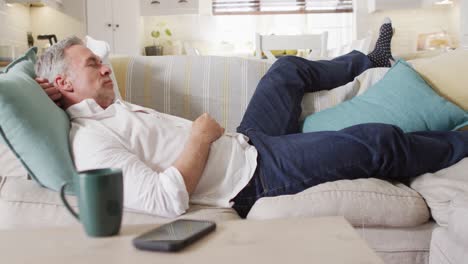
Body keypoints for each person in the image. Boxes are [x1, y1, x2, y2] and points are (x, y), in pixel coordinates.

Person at [35, 19, 468, 218]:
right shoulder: (91, 140)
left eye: (100, 61)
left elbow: (96, 59)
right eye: (94, 65)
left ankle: (370, 59)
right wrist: (200, 138)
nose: (105, 67)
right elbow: (164, 200)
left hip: (248, 143)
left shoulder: (110, 104)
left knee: (286, 70)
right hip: (256, 177)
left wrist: (64, 84)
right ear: (65, 82)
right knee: (379, 141)